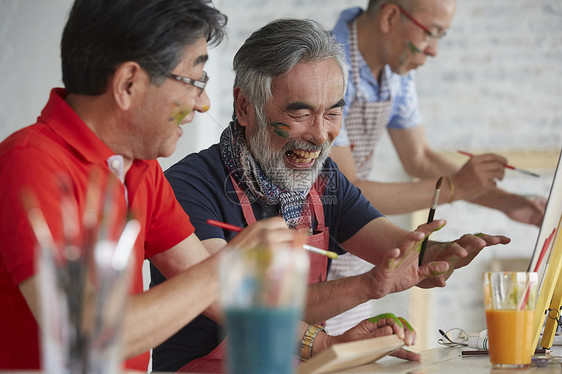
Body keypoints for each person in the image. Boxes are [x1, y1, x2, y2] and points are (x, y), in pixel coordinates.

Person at [150, 18, 510, 372]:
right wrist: (364, 292)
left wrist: (437, 253)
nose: (321, 135)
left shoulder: (324, 181)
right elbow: (236, 303)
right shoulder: (188, 187)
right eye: (302, 113)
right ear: (245, 107)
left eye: (334, 112)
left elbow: (395, 248)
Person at [0, 0, 300, 371]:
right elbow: (86, 333)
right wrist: (230, 265)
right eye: (195, 82)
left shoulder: (139, 169)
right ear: (128, 84)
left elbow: (213, 291)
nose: (204, 104)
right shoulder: (30, 162)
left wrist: (322, 340)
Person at [326, 0, 546, 333]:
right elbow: (348, 191)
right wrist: (457, 188)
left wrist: (509, 202)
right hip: (313, 239)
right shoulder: (328, 67)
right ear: (390, 16)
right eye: (433, 33)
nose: (434, 51)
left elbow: (421, 158)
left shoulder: (394, 69)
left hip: (353, 236)